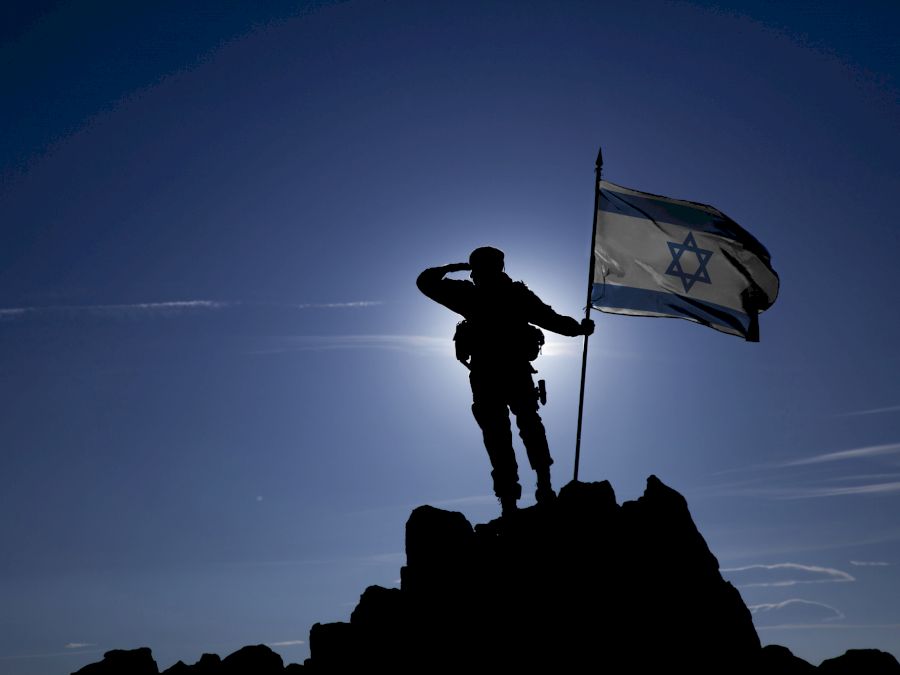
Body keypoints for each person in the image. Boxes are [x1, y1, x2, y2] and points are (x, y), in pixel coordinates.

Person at [417, 246, 594, 516]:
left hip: (497, 374)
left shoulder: (477, 295)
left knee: (507, 434)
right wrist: (578, 329)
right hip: (503, 374)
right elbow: (553, 320)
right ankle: (531, 492)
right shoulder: (502, 294)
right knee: (517, 430)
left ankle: (520, 497)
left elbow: (426, 282)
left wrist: (457, 267)